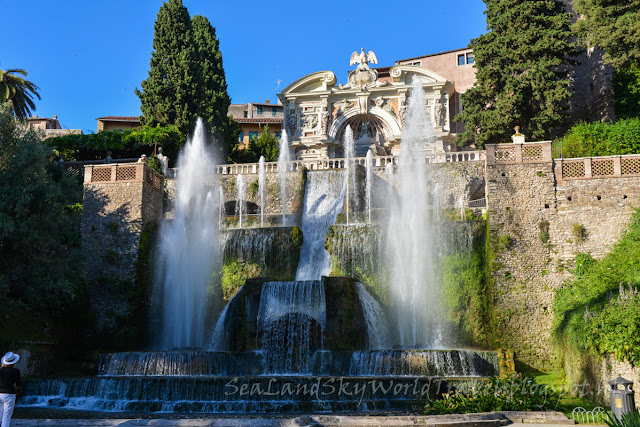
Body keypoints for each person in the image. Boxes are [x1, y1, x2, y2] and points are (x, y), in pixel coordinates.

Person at [0, 352, 21, 427]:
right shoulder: (16, 371)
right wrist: (16, 385)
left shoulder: (0, 370)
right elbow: (18, 384)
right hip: (9, 394)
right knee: (6, 416)